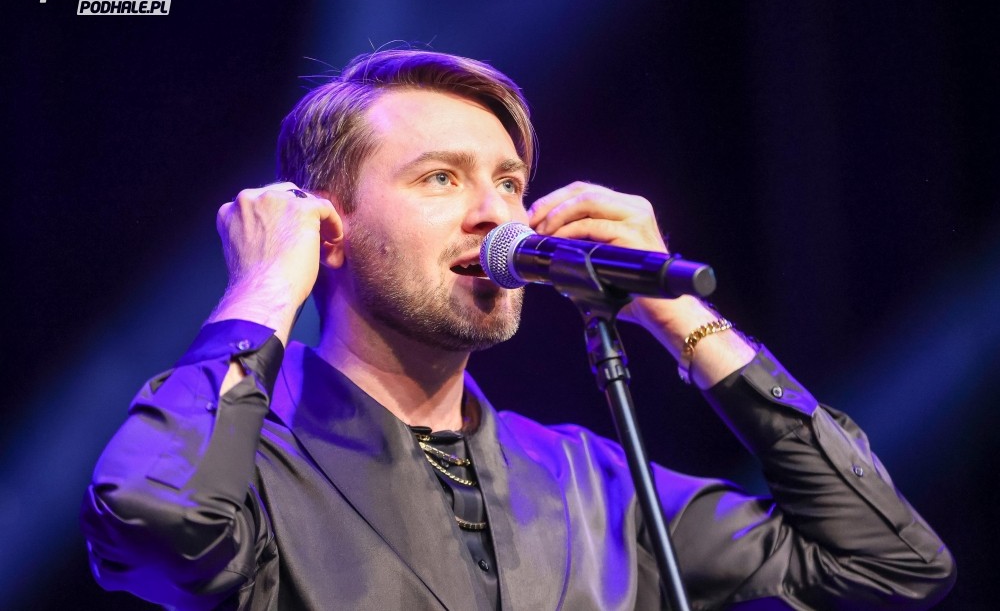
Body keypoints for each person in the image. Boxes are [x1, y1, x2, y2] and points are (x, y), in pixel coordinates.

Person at [80, 49, 955, 610]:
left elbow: (889, 561)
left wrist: (679, 313)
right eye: (440, 179)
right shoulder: (253, 472)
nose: (496, 213)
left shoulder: (592, 483)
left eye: (507, 181)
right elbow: (153, 517)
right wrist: (265, 285)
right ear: (326, 228)